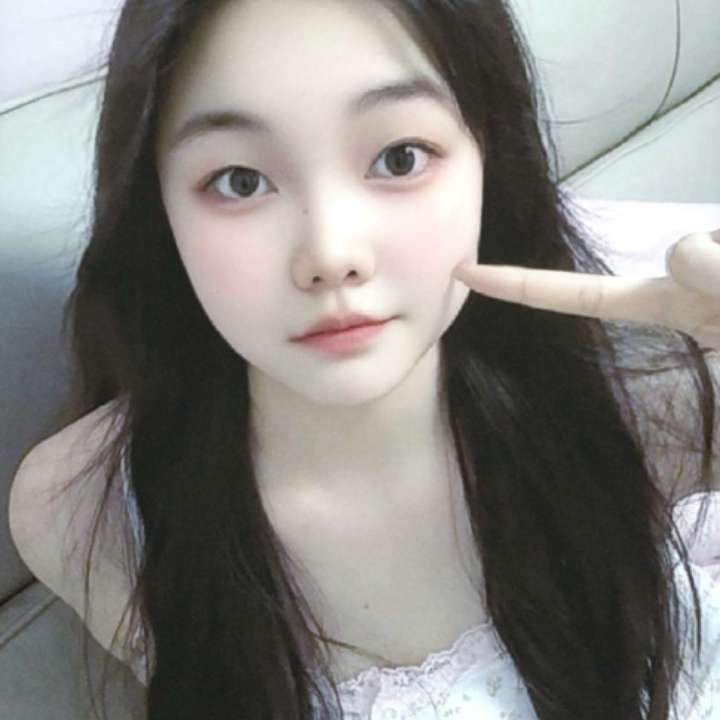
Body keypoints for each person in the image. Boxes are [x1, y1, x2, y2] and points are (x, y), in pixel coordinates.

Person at [14, 0, 720, 718]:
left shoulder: (666, 412)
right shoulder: (87, 506)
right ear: (158, 209)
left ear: (488, 161)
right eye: (239, 181)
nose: (331, 253)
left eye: (399, 158)